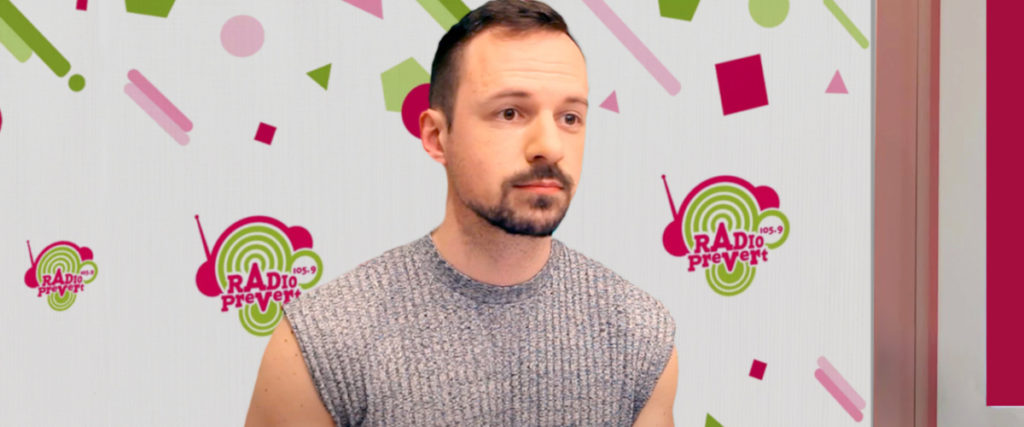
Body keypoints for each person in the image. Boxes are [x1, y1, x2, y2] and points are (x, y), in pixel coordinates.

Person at [244, 1, 677, 425]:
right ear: (436, 136)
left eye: (570, 117)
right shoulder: (326, 342)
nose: (550, 146)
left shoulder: (639, 335)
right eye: (510, 112)